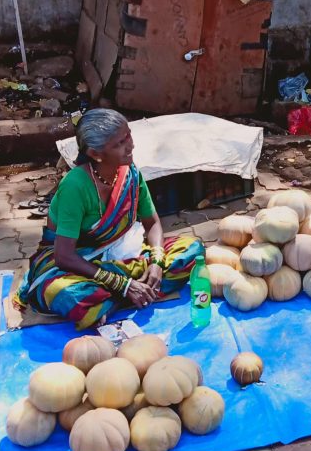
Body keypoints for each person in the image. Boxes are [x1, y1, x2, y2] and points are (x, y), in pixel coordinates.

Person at [12, 109, 204, 329]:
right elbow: (64, 256)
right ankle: (129, 292)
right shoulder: (75, 186)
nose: (131, 146)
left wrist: (157, 264)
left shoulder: (130, 174)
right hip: (74, 264)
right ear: (95, 154)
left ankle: (114, 299)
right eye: (120, 143)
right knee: (66, 295)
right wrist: (121, 284)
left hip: (124, 256)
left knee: (192, 250)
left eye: (128, 136)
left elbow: (152, 223)